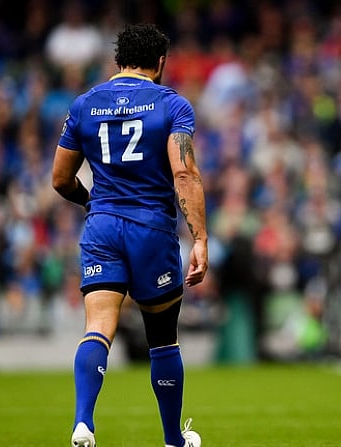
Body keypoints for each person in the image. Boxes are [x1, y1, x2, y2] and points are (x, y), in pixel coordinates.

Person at [51, 23, 207, 447]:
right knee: (162, 337)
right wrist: (201, 239)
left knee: (98, 326)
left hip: (101, 226)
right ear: (160, 63)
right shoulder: (173, 106)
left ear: (118, 61)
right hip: (151, 228)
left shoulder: (84, 105)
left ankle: (83, 423)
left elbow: (61, 179)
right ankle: (173, 439)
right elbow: (183, 171)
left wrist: (91, 204)